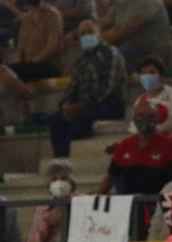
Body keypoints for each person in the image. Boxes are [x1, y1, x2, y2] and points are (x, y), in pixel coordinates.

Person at [49, 21, 126, 158]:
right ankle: (59, 160)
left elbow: (106, 89)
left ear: (99, 34)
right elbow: (73, 85)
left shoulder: (110, 53)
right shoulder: (81, 59)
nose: (86, 36)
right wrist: (66, 105)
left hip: (110, 104)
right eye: (82, 33)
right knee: (56, 119)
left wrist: (79, 106)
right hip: (84, 106)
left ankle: (65, 158)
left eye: (90, 32)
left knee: (81, 117)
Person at [101, 0, 172, 73]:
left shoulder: (149, 2)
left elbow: (129, 30)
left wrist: (102, 44)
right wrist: (92, 28)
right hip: (130, 48)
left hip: (151, 50)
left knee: (107, 61)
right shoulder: (122, 3)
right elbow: (104, 22)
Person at [134, 56, 172, 139]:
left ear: (160, 75)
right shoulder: (138, 101)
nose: (147, 76)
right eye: (143, 73)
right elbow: (136, 132)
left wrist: (163, 145)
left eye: (152, 72)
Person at [27, 160, 77, 242]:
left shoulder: (81, 202)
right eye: (54, 179)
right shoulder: (42, 208)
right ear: (48, 184)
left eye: (63, 178)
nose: (59, 182)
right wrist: (48, 226)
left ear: (71, 182)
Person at [11, 0, 63, 80]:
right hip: (28, 66)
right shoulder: (26, 18)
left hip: (47, 66)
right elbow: (20, 48)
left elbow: (52, 46)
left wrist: (32, 64)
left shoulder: (52, 15)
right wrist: (19, 66)